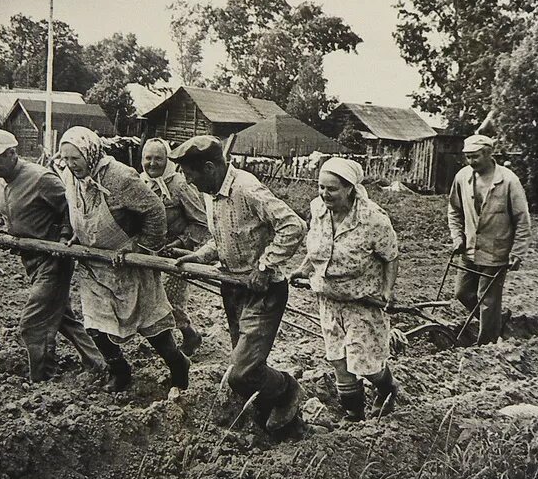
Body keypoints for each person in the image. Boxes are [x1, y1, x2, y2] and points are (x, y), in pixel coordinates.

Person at [170, 136, 307, 433]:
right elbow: (226, 238)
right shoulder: (210, 193)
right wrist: (200, 256)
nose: (187, 180)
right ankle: (282, 425)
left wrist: (264, 265)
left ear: (208, 167)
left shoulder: (246, 188)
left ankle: (287, 390)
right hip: (232, 288)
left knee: (242, 372)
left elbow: (294, 226)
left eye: (189, 173)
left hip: (263, 291)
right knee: (248, 367)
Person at [56, 127, 190, 392]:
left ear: (90, 153)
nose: (72, 166)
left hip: (128, 264)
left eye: (76, 159)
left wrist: (141, 249)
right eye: (67, 159)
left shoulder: (119, 177)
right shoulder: (69, 177)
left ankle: (178, 365)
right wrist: (68, 234)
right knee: (95, 326)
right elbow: (70, 208)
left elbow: (155, 211)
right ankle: (120, 371)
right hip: (94, 264)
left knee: (153, 328)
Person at [0, 129, 106, 382]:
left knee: (33, 324)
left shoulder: (40, 177)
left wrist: (66, 236)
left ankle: (42, 379)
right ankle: (99, 362)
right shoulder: (0, 181)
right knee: (64, 318)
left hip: (53, 260)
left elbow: (70, 206)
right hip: (31, 260)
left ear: (12, 154)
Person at [288, 158, 400, 420]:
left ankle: (386, 388)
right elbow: (317, 246)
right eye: (321, 187)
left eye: (332, 189)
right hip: (328, 298)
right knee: (338, 358)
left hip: (362, 301)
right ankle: (353, 415)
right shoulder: (318, 209)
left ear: (349, 188)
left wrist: (386, 291)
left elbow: (391, 257)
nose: (324, 194)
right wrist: (304, 269)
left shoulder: (373, 219)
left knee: (367, 364)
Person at [447, 134, 531, 346]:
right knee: (462, 293)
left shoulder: (508, 181)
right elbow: (454, 210)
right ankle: (496, 320)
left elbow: (522, 220)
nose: (471, 162)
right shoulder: (462, 177)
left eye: (475, 157)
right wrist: (457, 236)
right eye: (468, 157)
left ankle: (487, 345)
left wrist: (518, 252)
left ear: (488, 153)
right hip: (469, 248)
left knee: (488, 300)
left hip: (497, 251)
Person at [140, 137, 210, 355]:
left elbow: (201, 222)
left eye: (158, 159)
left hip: (175, 254)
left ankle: (188, 335)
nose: (152, 164)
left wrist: (179, 243)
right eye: (148, 158)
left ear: (167, 160)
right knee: (148, 299)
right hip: (147, 252)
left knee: (170, 300)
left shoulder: (180, 185)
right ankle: (173, 340)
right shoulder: (139, 183)